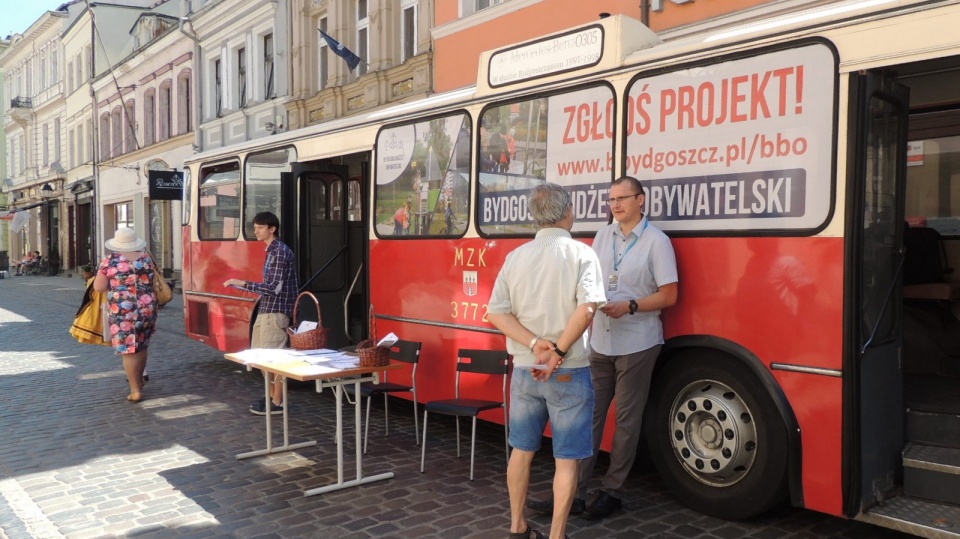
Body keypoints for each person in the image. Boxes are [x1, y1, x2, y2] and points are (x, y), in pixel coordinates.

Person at [549, 176, 678, 521]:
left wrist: (631, 305)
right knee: (587, 416)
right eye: (611, 200)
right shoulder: (603, 236)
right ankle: (573, 492)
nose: (616, 205)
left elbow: (670, 294)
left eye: (623, 198)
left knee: (626, 422)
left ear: (641, 200)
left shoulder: (656, 242)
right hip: (601, 340)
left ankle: (612, 492)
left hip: (638, 342)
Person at [487, 183, 606, 539]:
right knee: (566, 459)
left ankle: (517, 527)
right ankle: (556, 535)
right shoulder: (582, 254)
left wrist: (537, 344)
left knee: (521, 452)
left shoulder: (516, 257)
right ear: (569, 213)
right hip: (570, 373)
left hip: (525, 370)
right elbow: (587, 309)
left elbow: (496, 313)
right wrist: (557, 352)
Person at [223, 212, 298, 415]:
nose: (256, 230)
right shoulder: (272, 250)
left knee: (275, 357)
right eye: (255, 227)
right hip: (268, 309)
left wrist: (242, 283)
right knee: (263, 356)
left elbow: (274, 288)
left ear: (272, 229)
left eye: (260, 227)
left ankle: (278, 402)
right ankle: (273, 397)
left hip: (276, 311)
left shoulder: (280, 251)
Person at [94, 228, 159, 403]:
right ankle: (139, 381)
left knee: (129, 350)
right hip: (147, 307)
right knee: (142, 345)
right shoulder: (146, 259)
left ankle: (135, 389)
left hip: (123, 311)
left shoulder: (110, 261)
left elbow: (99, 287)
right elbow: (154, 280)